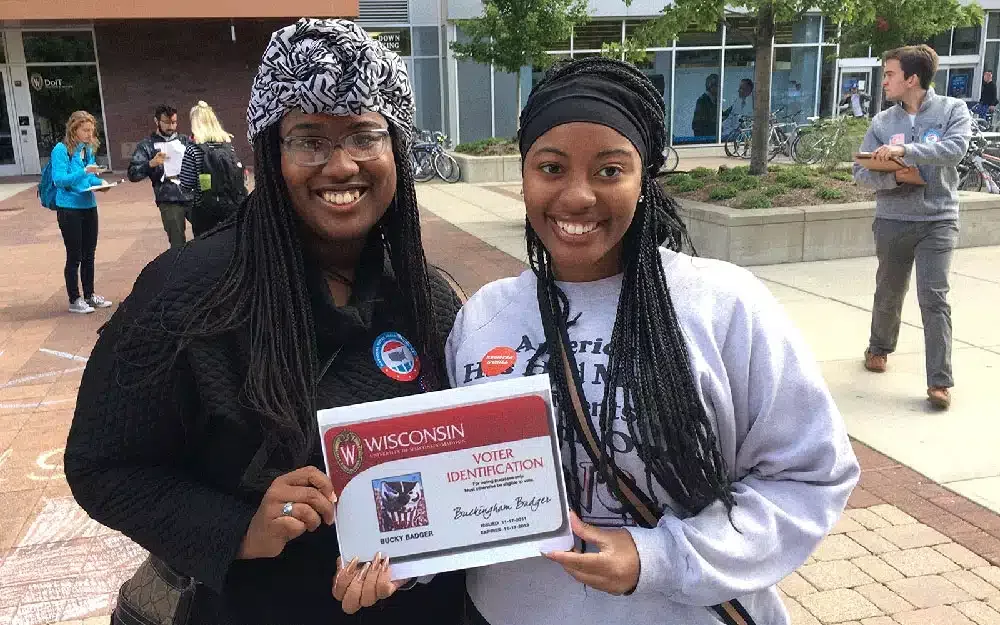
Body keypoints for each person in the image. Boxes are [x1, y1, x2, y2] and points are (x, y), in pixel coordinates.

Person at [342, 57, 860, 624]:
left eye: (610, 171)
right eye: (551, 168)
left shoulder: (722, 306)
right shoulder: (485, 316)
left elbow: (810, 476)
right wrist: (402, 557)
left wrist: (660, 556)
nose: (578, 196)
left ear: (644, 178)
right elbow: (455, 496)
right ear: (524, 177)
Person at [65, 18, 465, 625]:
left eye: (365, 135)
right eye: (308, 139)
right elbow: (102, 466)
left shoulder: (424, 294)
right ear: (270, 152)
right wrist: (238, 529)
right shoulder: (192, 294)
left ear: (397, 150)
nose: (340, 165)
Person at [853, 44, 972, 410]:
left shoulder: (953, 110)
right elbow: (861, 172)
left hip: (938, 220)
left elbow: (955, 150)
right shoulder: (882, 122)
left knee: (934, 298)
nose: (884, 81)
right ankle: (879, 347)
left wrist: (906, 152)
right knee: (888, 291)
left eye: (889, 74)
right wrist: (896, 181)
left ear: (912, 78)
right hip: (893, 220)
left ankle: (939, 381)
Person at [50, 110, 114, 314]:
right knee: (74, 254)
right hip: (69, 208)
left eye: (91, 130)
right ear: (74, 129)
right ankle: (74, 298)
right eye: (85, 130)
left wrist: (101, 183)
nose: (89, 134)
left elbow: (89, 179)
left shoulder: (87, 149)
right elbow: (59, 179)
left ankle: (89, 295)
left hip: (88, 205)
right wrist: (84, 172)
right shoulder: (61, 150)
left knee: (89, 253)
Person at [127, 104, 192, 249]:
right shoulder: (147, 145)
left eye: (174, 122)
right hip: (168, 198)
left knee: (204, 235)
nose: (171, 126)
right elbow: (132, 174)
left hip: (192, 194)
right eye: (166, 123)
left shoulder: (185, 141)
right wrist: (151, 163)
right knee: (177, 244)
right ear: (157, 121)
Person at [179, 101, 248, 236]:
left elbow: (186, 184)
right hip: (231, 207)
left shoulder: (193, 149)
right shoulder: (228, 146)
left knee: (206, 249)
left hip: (204, 211)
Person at [692, 73, 720, 138]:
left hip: (713, 137)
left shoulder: (716, 100)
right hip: (705, 138)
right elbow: (698, 124)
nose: (720, 89)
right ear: (711, 86)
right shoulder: (702, 100)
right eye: (718, 86)